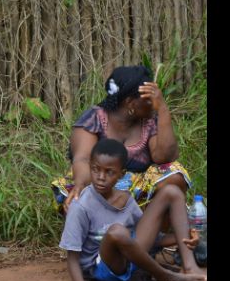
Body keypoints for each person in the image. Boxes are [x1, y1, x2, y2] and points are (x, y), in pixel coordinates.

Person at [59, 139, 207, 281]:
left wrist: (183, 237)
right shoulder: (81, 206)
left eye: (109, 172)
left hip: (132, 257)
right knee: (117, 232)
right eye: (95, 169)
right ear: (90, 167)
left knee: (172, 191)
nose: (100, 177)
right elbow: (72, 257)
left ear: (121, 174)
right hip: (103, 267)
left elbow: (151, 239)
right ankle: (169, 276)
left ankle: (190, 267)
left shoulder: (126, 199)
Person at [52, 65, 192, 216]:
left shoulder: (149, 120)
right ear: (131, 103)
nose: (154, 103)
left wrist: (163, 110)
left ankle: (149, 230)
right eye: (150, 99)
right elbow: (83, 158)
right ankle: (104, 227)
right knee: (75, 197)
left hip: (138, 194)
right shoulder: (94, 119)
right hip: (98, 187)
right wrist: (80, 186)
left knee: (175, 175)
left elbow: (164, 157)